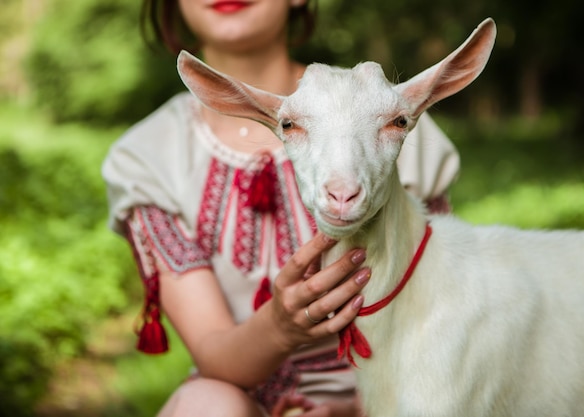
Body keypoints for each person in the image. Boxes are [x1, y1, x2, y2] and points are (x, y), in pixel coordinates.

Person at [102, 0, 459, 416]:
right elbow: (213, 355)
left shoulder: (387, 118)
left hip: (390, 394)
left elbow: (434, 317)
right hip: (237, 398)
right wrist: (279, 326)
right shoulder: (148, 158)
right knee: (206, 406)